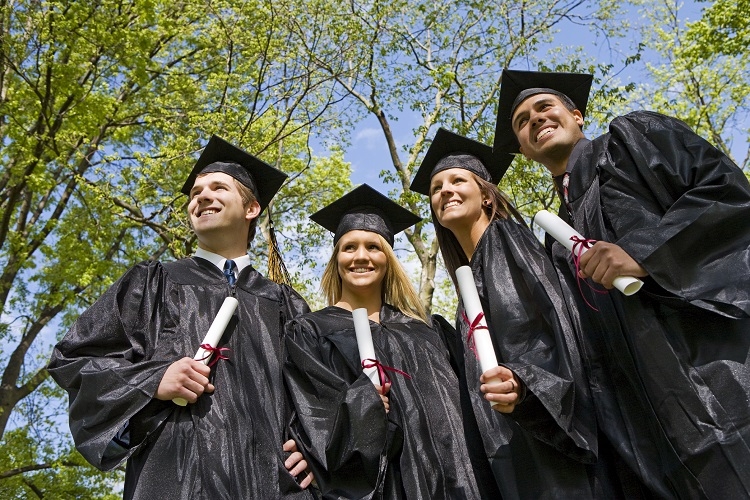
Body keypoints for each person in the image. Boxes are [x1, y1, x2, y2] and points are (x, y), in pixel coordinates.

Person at [494, 68, 750, 497]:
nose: (535, 119)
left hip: (720, 375)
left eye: (544, 108)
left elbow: (727, 194)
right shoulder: (558, 242)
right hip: (652, 423)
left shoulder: (631, 139)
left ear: (577, 116)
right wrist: (527, 387)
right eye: (523, 121)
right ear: (522, 151)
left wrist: (646, 253)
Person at [48, 135, 315, 499]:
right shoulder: (151, 284)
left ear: (251, 208)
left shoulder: (285, 304)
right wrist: (154, 379)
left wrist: (313, 448)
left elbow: (317, 392)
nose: (202, 196)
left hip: (273, 483)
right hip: (175, 477)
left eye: (218, 187)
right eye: (195, 193)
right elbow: (74, 359)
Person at [409, 128, 624, 499]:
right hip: (519, 436)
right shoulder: (474, 269)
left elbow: (548, 328)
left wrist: (526, 383)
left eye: (458, 180)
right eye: (436, 188)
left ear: (487, 197)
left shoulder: (505, 240)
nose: (445, 190)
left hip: (548, 435)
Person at [283, 183, 481, 498]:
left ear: (388, 258)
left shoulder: (429, 331)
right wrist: (361, 405)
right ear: (336, 260)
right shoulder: (310, 332)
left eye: (373, 247)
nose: (361, 256)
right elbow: (311, 417)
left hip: (456, 482)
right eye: (349, 248)